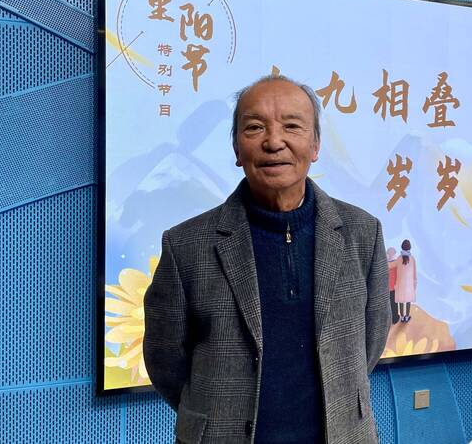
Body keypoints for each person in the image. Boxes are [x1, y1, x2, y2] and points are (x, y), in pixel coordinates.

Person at [143, 75, 391, 444]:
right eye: (255, 127)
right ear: (236, 148)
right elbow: (165, 359)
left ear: (315, 144)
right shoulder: (186, 245)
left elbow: (370, 341)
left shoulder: (361, 233)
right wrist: (216, 415)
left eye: (292, 126)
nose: (274, 142)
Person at [393, 239, 417, 323]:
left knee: (401, 300)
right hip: (409, 284)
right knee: (408, 300)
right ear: (410, 247)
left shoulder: (399, 258)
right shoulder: (412, 259)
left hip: (400, 283)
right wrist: (415, 284)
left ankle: (402, 317)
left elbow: (394, 269)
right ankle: (406, 317)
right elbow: (414, 274)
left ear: (402, 247)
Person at [386, 247, 399, 325]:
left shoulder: (385, 263)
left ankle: (391, 318)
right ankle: (395, 319)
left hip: (387, 287)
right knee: (394, 304)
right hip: (393, 287)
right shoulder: (395, 263)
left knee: (389, 304)